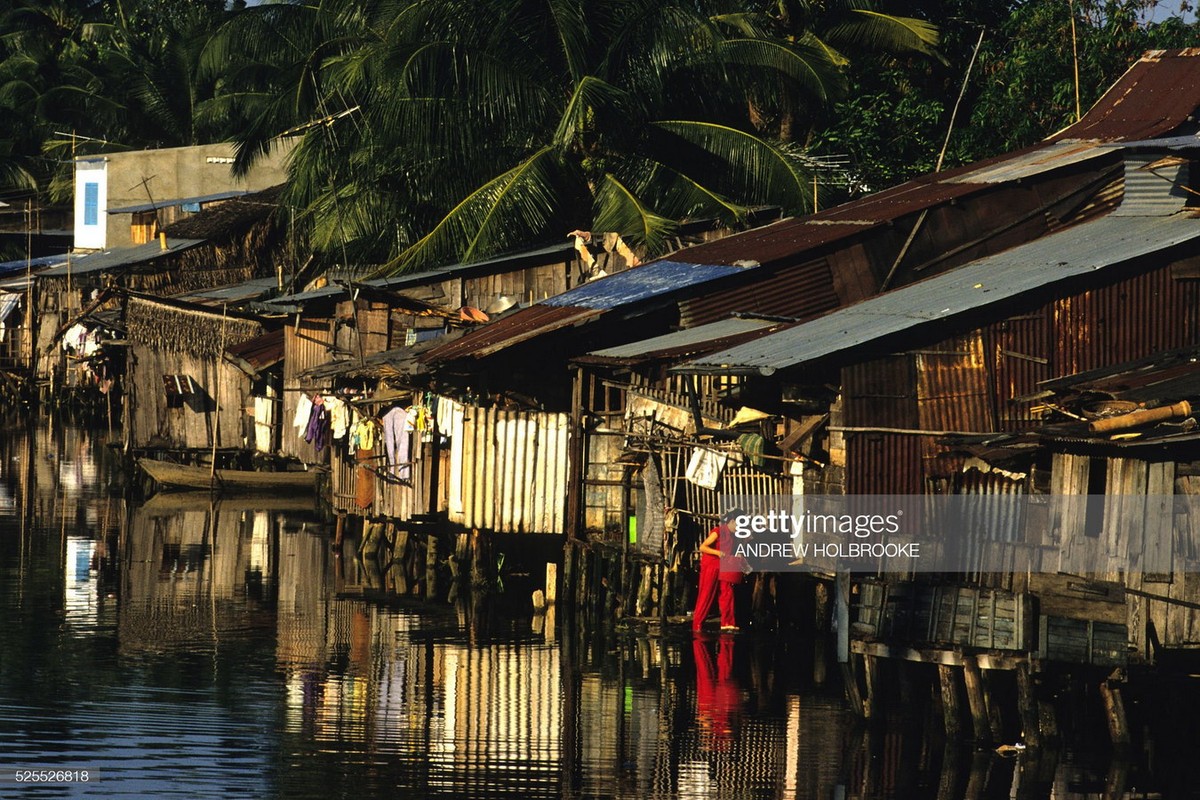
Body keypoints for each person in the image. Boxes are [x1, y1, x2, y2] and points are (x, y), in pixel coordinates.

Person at [692, 509, 744, 632]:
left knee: (727, 592)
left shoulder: (735, 535)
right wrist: (717, 552)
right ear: (732, 521)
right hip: (711, 565)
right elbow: (703, 547)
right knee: (706, 594)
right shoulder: (718, 531)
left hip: (725, 566)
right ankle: (697, 624)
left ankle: (727, 623)